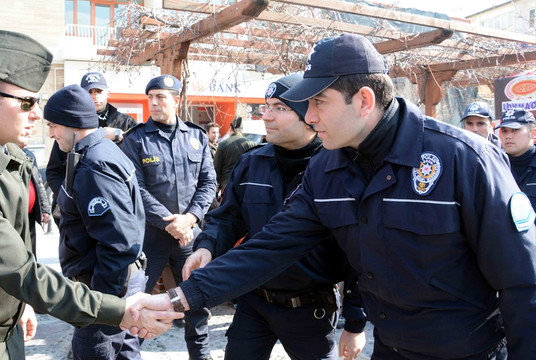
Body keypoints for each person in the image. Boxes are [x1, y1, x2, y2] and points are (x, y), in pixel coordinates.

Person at [141, 33, 536, 360]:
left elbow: (524, 283)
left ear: (364, 100)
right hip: (391, 347)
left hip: (468, 352)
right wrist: (183, 297)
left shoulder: (464, 160)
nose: (309, 116)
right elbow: (270, 247)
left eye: (318, 102)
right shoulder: (327, 168)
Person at [0, 29, 181, 360]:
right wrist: (119, 310)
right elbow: (20, 271)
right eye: (26, 102)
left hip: (1, 332)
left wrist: (20, 305)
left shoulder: (10, 157)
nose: (37, 114)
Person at [183, 73, 367, 360]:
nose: (266, 116)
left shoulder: (337, 170)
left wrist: (355, 323)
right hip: (254, 300)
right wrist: (207, 247)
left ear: (310, 115)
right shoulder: (252, 162)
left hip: (310, 307)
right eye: (265, 106)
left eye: (279, 108)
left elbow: (358, 252)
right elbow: (228, 218)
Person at [45, 84, 147, 360]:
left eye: (53, 125)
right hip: (115, 282)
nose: (51, 133)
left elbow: (118, 243)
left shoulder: (94, 164)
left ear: (72, 123)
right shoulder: (99, 152)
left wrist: (101, 305)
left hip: (107, 286)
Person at [121, 74, 218, 360]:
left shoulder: (196, 136)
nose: (153, 102)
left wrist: (190, 218)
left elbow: (208, 183)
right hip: (151, 238)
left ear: (175, 99)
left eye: (160, 96)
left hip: (190, 237)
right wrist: (171, 222)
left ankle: (201, 356)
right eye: (150, 96)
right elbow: (135, 188)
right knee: (136, 300)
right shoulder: (136, 139)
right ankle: (127, 354)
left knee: (196, 301)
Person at [45, 71, 137, 219]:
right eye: (89, 92)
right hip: (76, 209)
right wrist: (67, 197)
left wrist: (121, 135)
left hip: (117, 202)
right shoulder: (70, 126)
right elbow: (53, 171)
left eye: (99, 91)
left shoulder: (125, 122)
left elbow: (141, 149)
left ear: (108, 93)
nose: (95, 96)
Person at [497, 109, 536, 211]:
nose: (508, 136)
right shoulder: (496, 166)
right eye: (504, 130)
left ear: (533, 133)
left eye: (515, 130)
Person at [213, 116, 256, 189]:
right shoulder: (251, 144)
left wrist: (217, 184)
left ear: (231, 128)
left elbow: (216, 168)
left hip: (227, 185)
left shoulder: (223, 144)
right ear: (242, 130)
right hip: (246, 184)